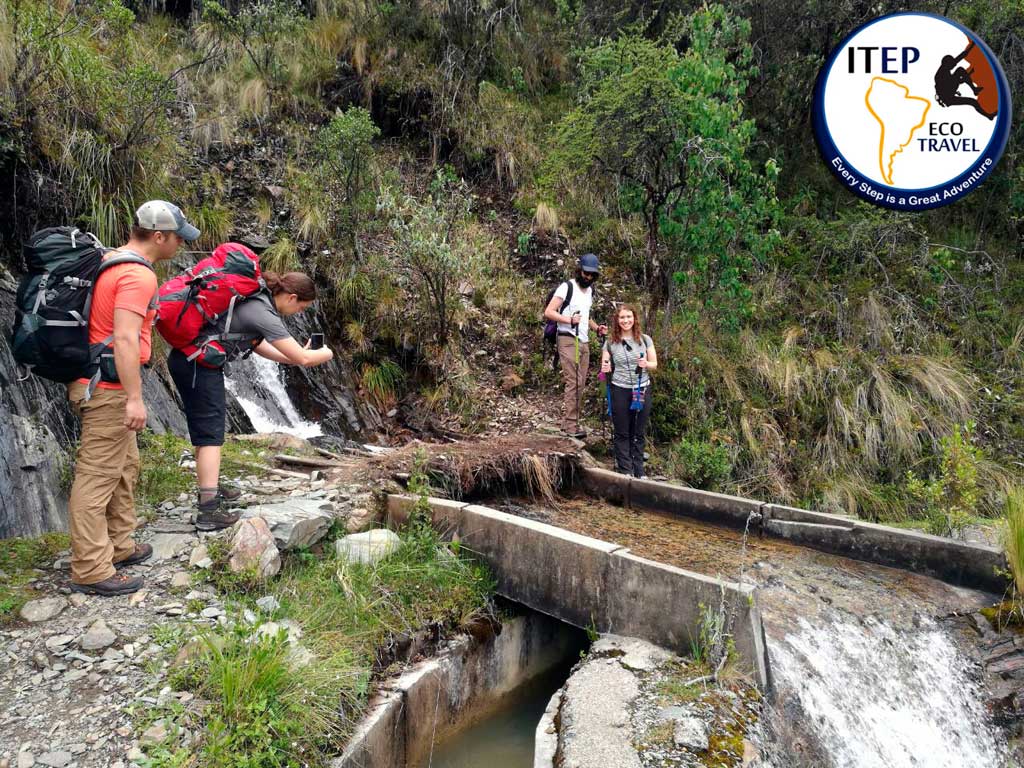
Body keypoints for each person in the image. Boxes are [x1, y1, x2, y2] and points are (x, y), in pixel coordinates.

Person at [68, 200, 200, 597]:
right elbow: (124, 337)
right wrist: (135, 398)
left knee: (125, 468)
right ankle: (91, 569)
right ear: (159, 236)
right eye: (178, 237)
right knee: (97, 477)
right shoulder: (137, 275)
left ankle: (119, 546)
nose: (180, 244)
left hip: (101, 383)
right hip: (108, 388)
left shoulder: (114, 260)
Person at [167, 270, 334, 530]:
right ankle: (208, 510)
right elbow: (304, 360)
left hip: (191, 361)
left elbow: (258, 346)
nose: (299, 312)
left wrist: (295, 355)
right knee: (211, 437)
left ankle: (209, 487)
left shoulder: (256, 300)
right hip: (198, 365)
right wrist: (325, 353)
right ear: (291, 297)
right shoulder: (263, 311)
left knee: (205, 432)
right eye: (302, 307)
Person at [543, 253, 607, 438]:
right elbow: (549, 312)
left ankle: (572, 423)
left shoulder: (590, 292)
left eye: (592, 275)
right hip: (568, 338)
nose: (588, 277)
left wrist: (597, 328)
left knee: (581, 383)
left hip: (584, 340)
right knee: (574, 381)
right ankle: (570, 425)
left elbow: (586, 317)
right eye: (586, 273)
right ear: (579, 270)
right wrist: (569, 320)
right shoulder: (567, 287)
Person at [601, 304, 657, 477]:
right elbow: (604, 365)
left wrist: (646, 364)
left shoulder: (645, 339)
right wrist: (606, 366)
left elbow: (654, 364)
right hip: (620, 389)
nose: (626, 321)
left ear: (634, 319)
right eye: (622, 317)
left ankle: (639, 470)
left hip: (641, 388)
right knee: (622, 431)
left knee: (638, 432)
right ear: (617, 321)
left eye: (629, 317)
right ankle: (626, 470)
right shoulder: (610, 342)